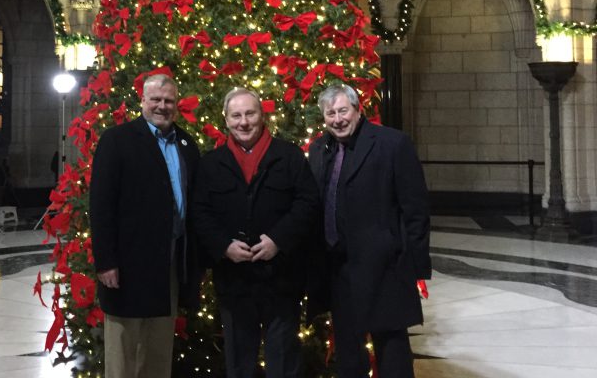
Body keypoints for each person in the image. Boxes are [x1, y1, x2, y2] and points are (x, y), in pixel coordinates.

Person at [307, 84, 431, 378]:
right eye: (330, 114)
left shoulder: (392, 143)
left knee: (392, 351)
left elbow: (415, 209)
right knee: (349, 353)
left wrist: (412, 265)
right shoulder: (319, 149)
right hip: (338, 269)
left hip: (385, 268)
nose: (337, 119)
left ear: (357, 109)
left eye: (342, 111)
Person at [192, 87, 318, 378]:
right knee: (239, 364)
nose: (243, 122)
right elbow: (200, 212)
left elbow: (308, 202)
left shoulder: (289, 156)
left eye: (250, 113)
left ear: (262, 116)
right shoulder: (211, 163)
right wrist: (223, 245)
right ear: (226, 120)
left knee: (284, 363)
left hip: (282, 279)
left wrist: (278, 240)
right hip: (234, 282)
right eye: (236, 115)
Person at [89, 74, 201, 378]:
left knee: (158, 351)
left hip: (169, 263)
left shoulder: (187, 144)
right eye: (156, 100)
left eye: (169, 101)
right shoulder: (117, 140)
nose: (162, 106)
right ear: (142, 101)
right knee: (123, 352)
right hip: (127, 265)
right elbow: (101, 206)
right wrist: (106, 261)